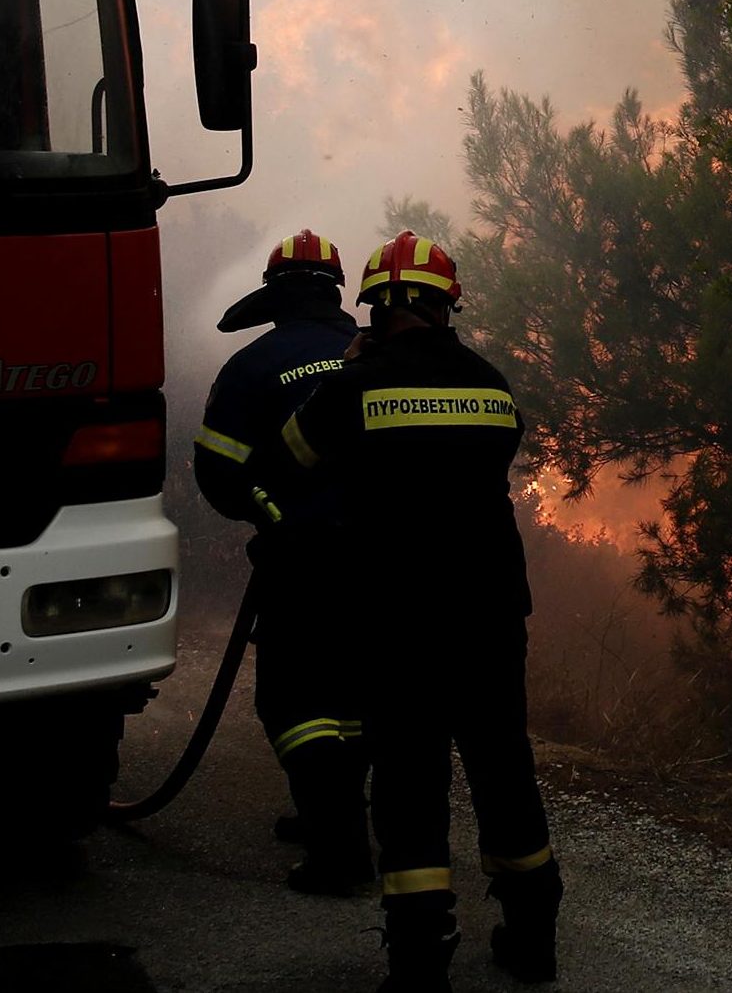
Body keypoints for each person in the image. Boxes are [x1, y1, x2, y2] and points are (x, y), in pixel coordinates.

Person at [283, 231, 558, 991]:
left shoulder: (356, 387)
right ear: (447, 308)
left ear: (372, 308)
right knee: (503, 765)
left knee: (409, 776)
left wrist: (348, 380)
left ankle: (419, 956)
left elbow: (289, 458)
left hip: (397, 616)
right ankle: (533, 936)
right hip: (491, 612)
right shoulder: (491, 384)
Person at [194, 228, 370, 894]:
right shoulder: (370, 359)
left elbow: (217, 474)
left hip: (301, 563)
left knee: (293, 703)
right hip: (382, 560)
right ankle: (334, 811)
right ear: (336, 291)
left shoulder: (252, 365)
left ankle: (340, 849)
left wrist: (272, 516)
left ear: (275, 295)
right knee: (354, 699)